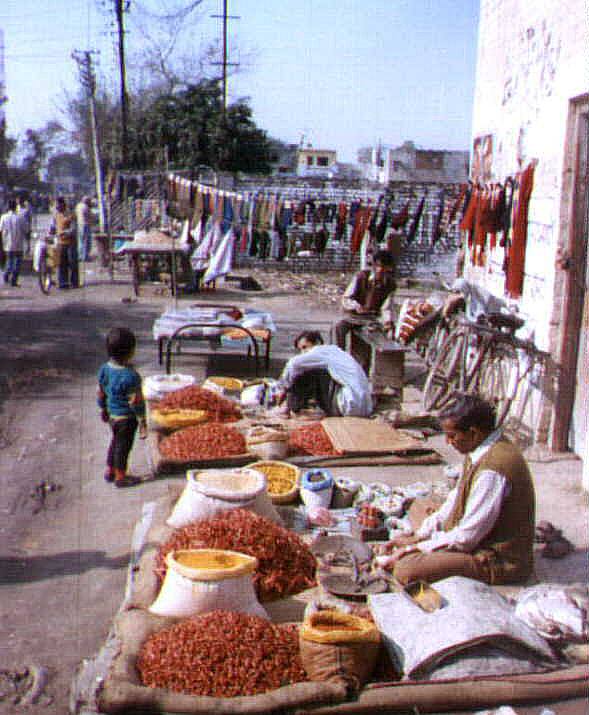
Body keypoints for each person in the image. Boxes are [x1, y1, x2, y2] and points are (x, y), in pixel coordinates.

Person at [380, 394, 536, 586]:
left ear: (473, 433)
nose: (447, 442)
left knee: (406, 569)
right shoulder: (482, 447)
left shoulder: (493, 470)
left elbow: (467, 538)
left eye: (452, 436)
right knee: (420, 506)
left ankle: (420, 555)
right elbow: (456, 497)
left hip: (495, 560)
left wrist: (414, 548)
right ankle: (426, 545)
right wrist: (420, 535)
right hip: (475, 535)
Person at [277, 330, 372, 417]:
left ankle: (288, 409)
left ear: (317, 342)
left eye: (305, 347)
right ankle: (295, 406)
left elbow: (293, 364)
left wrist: (283, 389)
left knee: (305, 372)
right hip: (363, 408)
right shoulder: (335, 352)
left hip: (348, 405)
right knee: (307, 369)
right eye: (301, 350)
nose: (303, 353)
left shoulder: (320, 351)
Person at [97, 327, 147, 488]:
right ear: (131, 352)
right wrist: (142, 420)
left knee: (115, 443)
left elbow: (101, 391)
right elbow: (136, 402)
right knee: (123, 448)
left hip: (112, 416)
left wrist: (103, 409)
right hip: (126, 419)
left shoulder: (105, 369)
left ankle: (110, 470)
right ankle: (120, 476)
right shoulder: (131, 376)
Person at [332, 249, 397, 350]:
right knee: (338, 327)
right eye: (378, 266)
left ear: (389, 269)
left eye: (384, 268)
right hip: (353, 316)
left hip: (371, 319)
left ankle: (364, 363)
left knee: (375, 337)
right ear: (374, 266)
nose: (380, 270)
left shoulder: (390, 284)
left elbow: (387, 307)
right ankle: (338, 357)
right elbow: (346, 298)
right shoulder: (361, 276)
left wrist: (388, 322)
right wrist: (356, 306)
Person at [51, 196, 79, 289]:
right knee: (61, 263)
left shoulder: (71, 215)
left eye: (58, 205)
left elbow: (73, 228)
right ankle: (63, 282)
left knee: (72, 263)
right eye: (56, 205)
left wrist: (65, 232)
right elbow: (53, 227)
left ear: (63, 204)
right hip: (60, 242)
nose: (57, 207)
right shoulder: (56, 215)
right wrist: (50, 233)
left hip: (71, 242)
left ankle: (74, 282)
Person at [0, 198, 26, 287]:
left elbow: (1, 230)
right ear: (15, 207)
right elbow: (25, 230)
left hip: (7, 244)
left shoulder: (3, 217)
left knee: (9, 261)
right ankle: (13, 280)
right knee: (17, 263)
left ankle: (6, 275)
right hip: (18, 244)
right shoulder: (20, 217)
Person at [75, 195, 93, 261]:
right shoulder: (86, 207)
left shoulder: (78, 206)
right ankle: (85, 257)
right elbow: (90, 216)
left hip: (79, 224)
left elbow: (76, 214)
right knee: (86, 241)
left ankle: (80, 256)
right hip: (85, 225)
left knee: (80, 241)